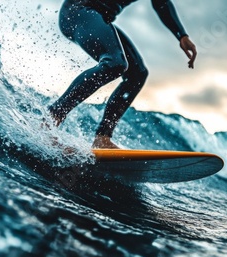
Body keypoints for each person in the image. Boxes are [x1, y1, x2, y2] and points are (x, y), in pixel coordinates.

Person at [47, 0, 197, 149]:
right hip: (78, 11)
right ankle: (50, 120)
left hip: (98, 17)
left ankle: (102, 138)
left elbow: (161, 4)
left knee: (137, 75)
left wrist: (182, 36)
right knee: (115, 63)